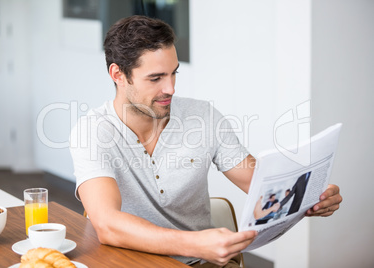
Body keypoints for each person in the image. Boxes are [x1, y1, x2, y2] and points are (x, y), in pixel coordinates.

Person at [70, 15, 343, 267]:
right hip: (128, 263)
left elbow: (259, 185)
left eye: (174, 72)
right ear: (118, 75)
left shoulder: (203, 117)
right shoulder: (93, 132)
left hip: (201, 264)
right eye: (155, 78)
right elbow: (107, 224)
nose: (171, 89)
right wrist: (196, 244)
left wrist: (307, 196)